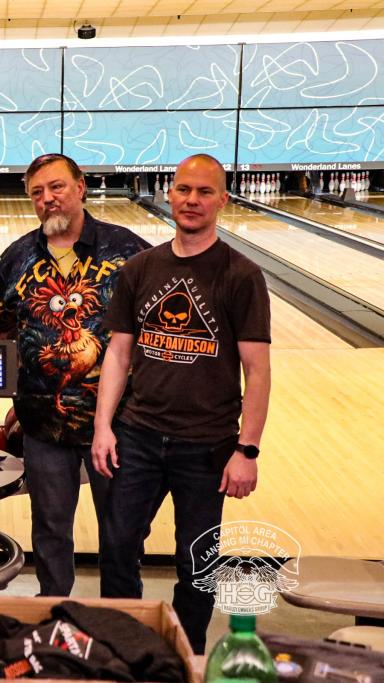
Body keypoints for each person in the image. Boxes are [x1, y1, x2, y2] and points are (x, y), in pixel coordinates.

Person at [92, 154, 272, 653]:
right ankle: (124, 649)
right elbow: (118, 353)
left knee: (198, 565)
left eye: (205, 191)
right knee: (117, 547)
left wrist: (247, 450)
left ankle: (187, 657)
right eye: (184, 190)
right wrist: (103, 426)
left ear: (223, 200)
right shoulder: (140, 269)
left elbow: (257, 370)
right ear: (168, 194)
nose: (192, 200)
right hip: (138, 436)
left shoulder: (241, 275)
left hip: (207, 445)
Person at [0, 153, 151, 597]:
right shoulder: (16, 257)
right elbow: (7, 332)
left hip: (118, 425)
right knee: (49, 530)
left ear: (80, 187)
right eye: (37, 192)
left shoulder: (130, 251)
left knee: (121, 533)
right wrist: (19, 399)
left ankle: (122, 616)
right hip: (43, 425)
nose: (47, 198)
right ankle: (53, 612)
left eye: (56, 186)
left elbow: (152, 331)